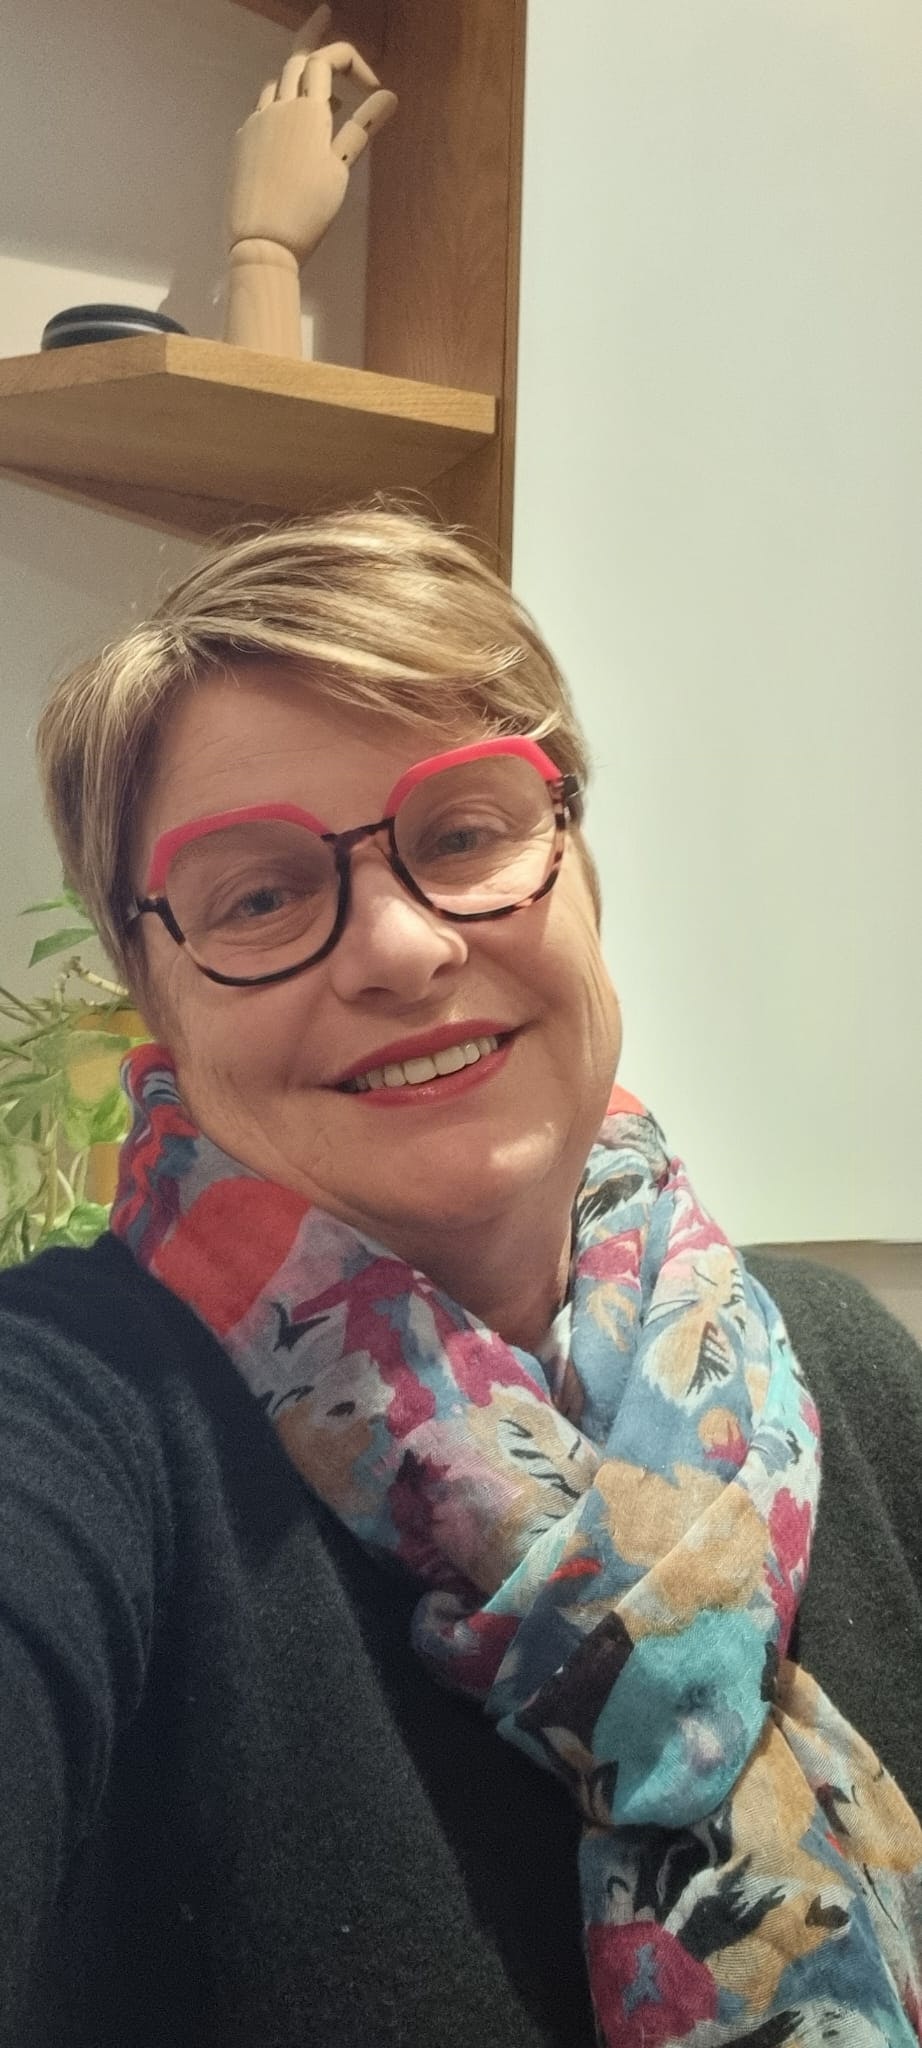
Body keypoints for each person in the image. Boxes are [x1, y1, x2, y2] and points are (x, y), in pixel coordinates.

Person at [1, 506, 919, 2048]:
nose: (401, 946)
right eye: (258, 896)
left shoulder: (847, 1371)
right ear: (151, 994)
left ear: (580, 866)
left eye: (464, 833)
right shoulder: (75, 1418)